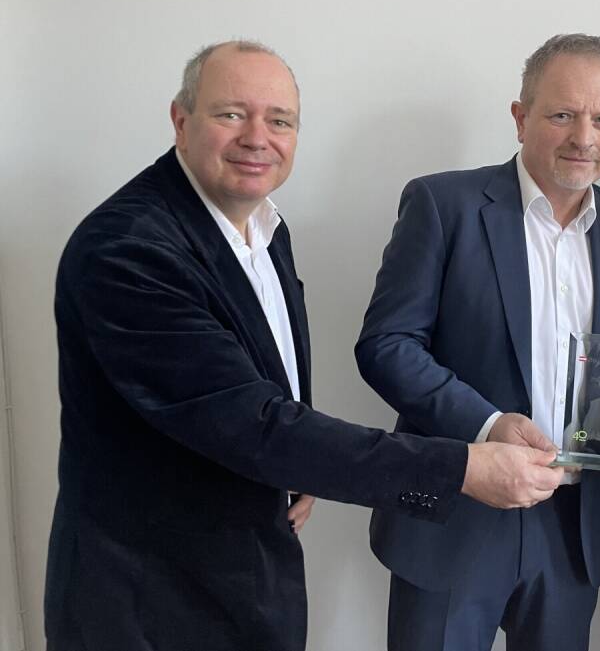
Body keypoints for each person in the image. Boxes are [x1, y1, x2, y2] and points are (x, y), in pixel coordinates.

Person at [44, 40, 564, 651]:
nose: (257, 138)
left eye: (280, 121)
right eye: (231, 114)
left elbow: (269, 387)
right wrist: (464, 468)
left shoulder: (264, 226)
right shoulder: (128, 250)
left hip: (248, 569)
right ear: (181, 121)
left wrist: (298, 469)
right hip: (150, 598)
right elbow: (252, 423)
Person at [356, 33, 600, 651]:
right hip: (453, 513)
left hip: (571, 529)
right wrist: (488, 425)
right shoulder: (443, 204)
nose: (584, 137)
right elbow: (387, 345)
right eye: (562, 114)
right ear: (520, 117)